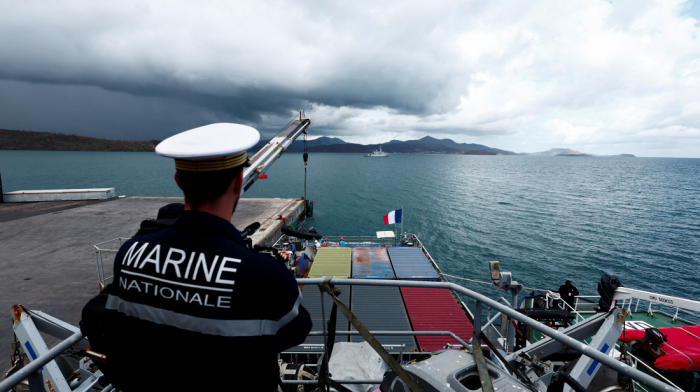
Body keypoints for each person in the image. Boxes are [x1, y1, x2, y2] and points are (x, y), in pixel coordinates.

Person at [103, 123, 312, 391]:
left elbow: (120, 326)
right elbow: (297, 329)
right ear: (239, 182)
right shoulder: (263, 274)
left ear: (178, 180)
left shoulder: (130, 253)